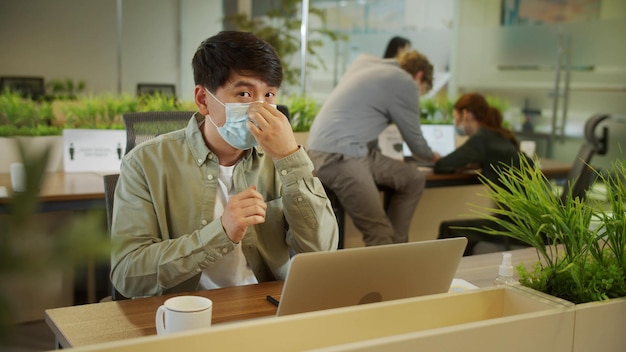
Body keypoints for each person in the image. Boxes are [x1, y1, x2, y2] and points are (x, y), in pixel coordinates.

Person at [110, 31, 339, 298]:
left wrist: (289, 158)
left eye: (269, 95)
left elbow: (322, 252)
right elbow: (128, 274)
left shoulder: (282, 159)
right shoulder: (145, 162)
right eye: (244, 93)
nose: (259, 108)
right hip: (183, 313)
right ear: (203, 100)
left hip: (264, 307)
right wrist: (221, 232)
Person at [307, 50, 439, 246]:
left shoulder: (367, 67)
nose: (418, 95)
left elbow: (361, 118)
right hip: (339, 157)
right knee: (379, 232)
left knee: (413, 178)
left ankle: (398, 246)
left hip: (332, 152)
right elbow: (415, 142)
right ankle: (388, 254)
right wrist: (434, 157)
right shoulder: (405, 81)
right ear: (419, 76)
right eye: (423, 90)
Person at [434, 93, 531, 255]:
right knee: (459, 230)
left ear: (466, 114)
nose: (456, 123)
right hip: (531, 223)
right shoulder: (500, 135)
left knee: (449, 229)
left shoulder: (482, 138)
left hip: (515, 226)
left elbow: (442, 165)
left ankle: (437, 279)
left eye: (455, 117)